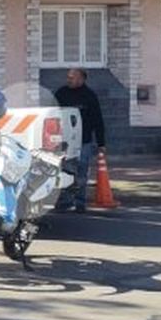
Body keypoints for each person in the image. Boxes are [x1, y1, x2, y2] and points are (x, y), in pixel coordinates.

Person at [54, 67, 106, 212]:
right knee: (65, 172)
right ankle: (64, 202)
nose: (69, 80)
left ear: (81, 79)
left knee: (82, 172)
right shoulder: (61, 93)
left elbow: (98, 120)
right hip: (64, 142)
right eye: (68, 77)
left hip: (84, 140)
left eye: (72, 77)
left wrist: (101, 143)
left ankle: (80, 203)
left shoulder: (89, 96)